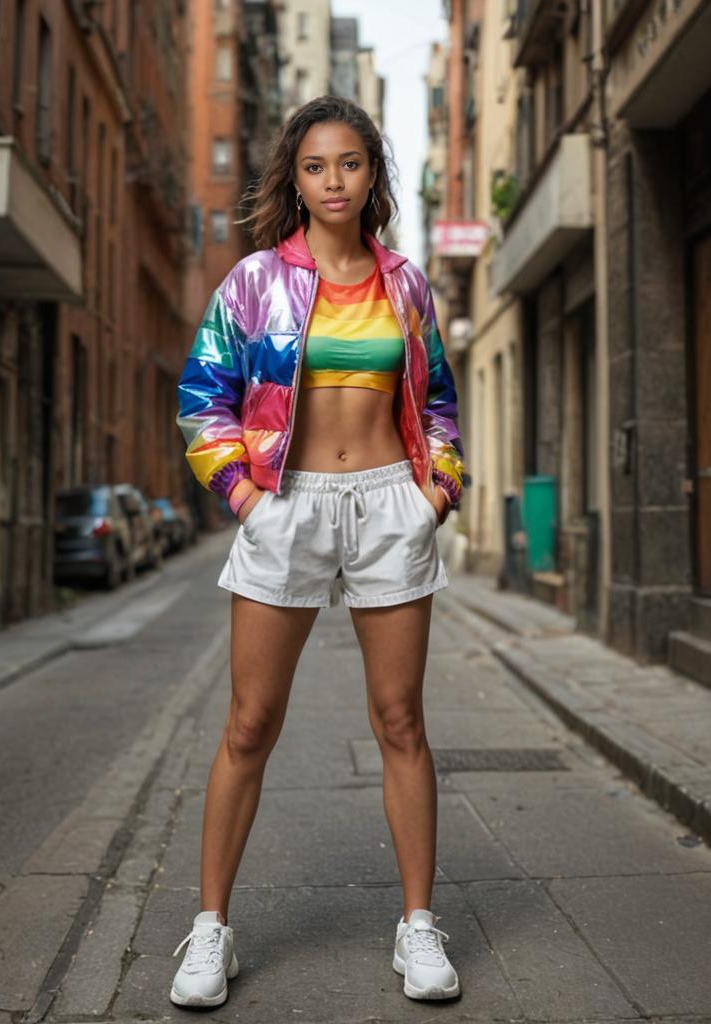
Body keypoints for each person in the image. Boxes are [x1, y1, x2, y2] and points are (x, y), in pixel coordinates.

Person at [171, 95, 471, 1009]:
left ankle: (417, 927)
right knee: (249, 724)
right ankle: (210, 930)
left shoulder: (408, 285)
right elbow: (202, 399)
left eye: (349, 163)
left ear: (372, 173)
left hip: (389, 505)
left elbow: (440, 405)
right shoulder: (255, 282)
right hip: (286, 506)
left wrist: (435, 494)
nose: (332, 180)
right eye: (315, 166)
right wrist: (248, 498)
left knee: (401, 721)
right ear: (293, 180)